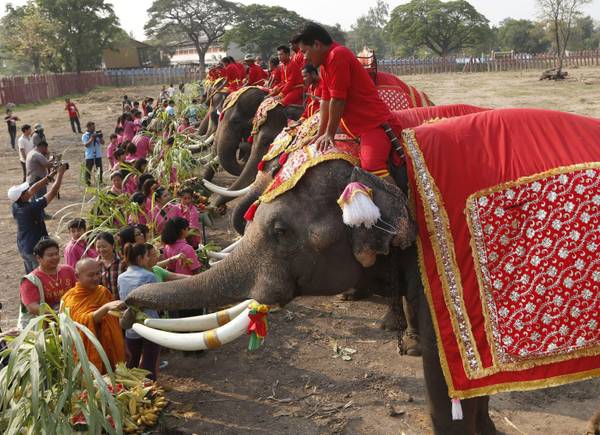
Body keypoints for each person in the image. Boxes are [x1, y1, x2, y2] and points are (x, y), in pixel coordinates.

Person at [295, 23, 396, 185]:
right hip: (355, 127)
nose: (304, 58)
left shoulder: (337, 55)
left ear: (317, 44)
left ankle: (402, 208)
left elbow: (338, 100)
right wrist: (321, 133)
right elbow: (326, 101)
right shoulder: (325, 64)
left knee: (372, 168)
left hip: (372, 124)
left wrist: (329, 134)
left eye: (305, 52)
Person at [61, 259, 126, 373]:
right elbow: (80, 322)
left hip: (110, 346)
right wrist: (105, 308)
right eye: (91, 275)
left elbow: (114, 320)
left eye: (98, 273)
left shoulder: (103, 291)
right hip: (89, 349)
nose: (96, 278)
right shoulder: (72, 298)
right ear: (77, 276)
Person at [10, 163, 67, 273]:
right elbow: (53, 192)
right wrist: (60, 174)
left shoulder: (16, 206)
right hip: (34, 249)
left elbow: (33, 189)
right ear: (22, 196)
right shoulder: (31, 208)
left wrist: (50, 176)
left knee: (30, 276)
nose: (28, 190)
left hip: (24, 247)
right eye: (25, 191)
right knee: (40, 277)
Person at [118, 244, 160, 379]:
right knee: (149, 365)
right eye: (147, 256)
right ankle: (150, 394)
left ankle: (136, 394)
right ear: (140, 258)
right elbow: (157, 300)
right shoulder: (149, 276)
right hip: (150, 325)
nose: (149, 259)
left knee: (132, 365)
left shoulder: (121, 277)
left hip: (131, 326)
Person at [18, 238, 77, 329]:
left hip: (73, 320)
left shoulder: (68, 271)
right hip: (47, 329)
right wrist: (58, 315)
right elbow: (32, 307)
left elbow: (79, 290)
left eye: (56, 254)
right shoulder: (30, 280)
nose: (55, 257)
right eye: (50, 255)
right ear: (38, 258)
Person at [95, 232, 121, 298]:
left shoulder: (123, 261)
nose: (101, 250)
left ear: (113, 246)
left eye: (104, 246)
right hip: (103, 304)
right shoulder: (94, 264)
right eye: (98, 247)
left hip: (121, 304)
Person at [82, 121, 104, 186]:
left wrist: (100, 137)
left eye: (94, 127)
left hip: (98, 154)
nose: (94, 128)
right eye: (92, 127)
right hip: (90, 155)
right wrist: (92, 138)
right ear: (88, 127)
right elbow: (86, 145)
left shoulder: (96, 134)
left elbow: (103, 142)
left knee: (99, 169)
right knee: (88, 170)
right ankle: (87, 182)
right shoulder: (85, 135)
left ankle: (100, 182)